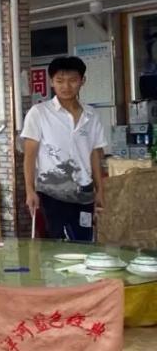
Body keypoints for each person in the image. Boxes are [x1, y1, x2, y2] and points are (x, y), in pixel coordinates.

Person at [22, 56, 107, 241]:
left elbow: (94, 155)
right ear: (51, 82)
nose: (66, 86)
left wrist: (100, 190)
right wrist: (30, 190)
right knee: (57, 246)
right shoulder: (39, 113)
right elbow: (29, 156)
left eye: (72, 80)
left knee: (84, 243)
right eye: (60, 81)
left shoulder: (92, 115)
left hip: (84, 194)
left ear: (82, 81)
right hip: (51, 194)